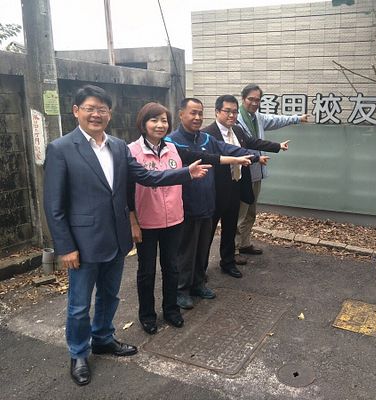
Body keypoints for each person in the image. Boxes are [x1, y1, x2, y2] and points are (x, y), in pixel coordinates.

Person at [43, 85, 210, 386]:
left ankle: (103, 338)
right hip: (82, 243)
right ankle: (79, 353)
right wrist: (65, 247)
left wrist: (185, 173)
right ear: (76, 111)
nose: (96, 114)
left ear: (109, 114)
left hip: (116, 237)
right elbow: (54, 205)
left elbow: (147, 176)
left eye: (102, 109)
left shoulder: (118, 147)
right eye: (90, 108)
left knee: (110, 295)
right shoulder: (61, 148)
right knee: (79, 305)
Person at [127, 102, 251, 335]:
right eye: (154, 120)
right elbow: (134, 186)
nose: (160, 125)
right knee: (146, 272)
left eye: (164, 120)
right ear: (143, 123)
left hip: (174, 218)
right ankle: (147, 315)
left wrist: (237, 159)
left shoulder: (173, 148)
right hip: (147, 220)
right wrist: (132, 220)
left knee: (172, 266)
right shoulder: (131, 151)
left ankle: (171, 309)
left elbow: (207, 157)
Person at [167, 98, 258, 310]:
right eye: (192, 113)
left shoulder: (207, 138)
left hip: (207, 203)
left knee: (202, 249)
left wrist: (252, 156)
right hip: (185, 206)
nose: (197, 117)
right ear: (181, 114)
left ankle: (198, 283)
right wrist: (235, 159)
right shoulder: (172, 142)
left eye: (200, 113)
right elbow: (206, 158)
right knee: (185, 251)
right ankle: (181, 289)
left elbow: (227, 148)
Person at [204, 94, 290, 278]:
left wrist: (277, 146)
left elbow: (252, 143)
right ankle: (199, 270)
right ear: (217, 111)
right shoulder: (207, 134)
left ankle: (228, 262)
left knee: (230, 228)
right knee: (207, 232)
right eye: (227, 111)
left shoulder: (237, 130)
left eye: (235, 112)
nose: (231, 115)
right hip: (215, 190)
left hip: (236, 185)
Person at [236, 84, 309, 258]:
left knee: (251, 211)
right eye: (251, 99)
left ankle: (244, 244)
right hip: (241, 173)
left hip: (256, 172)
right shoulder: (236, 119)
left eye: (258, 100)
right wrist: (271, 149)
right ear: (243, 98)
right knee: (239, 213)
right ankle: (232, 250)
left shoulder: (257, 117)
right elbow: (247, 143)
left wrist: (297, 118)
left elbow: (276, 120)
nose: (254, 103)